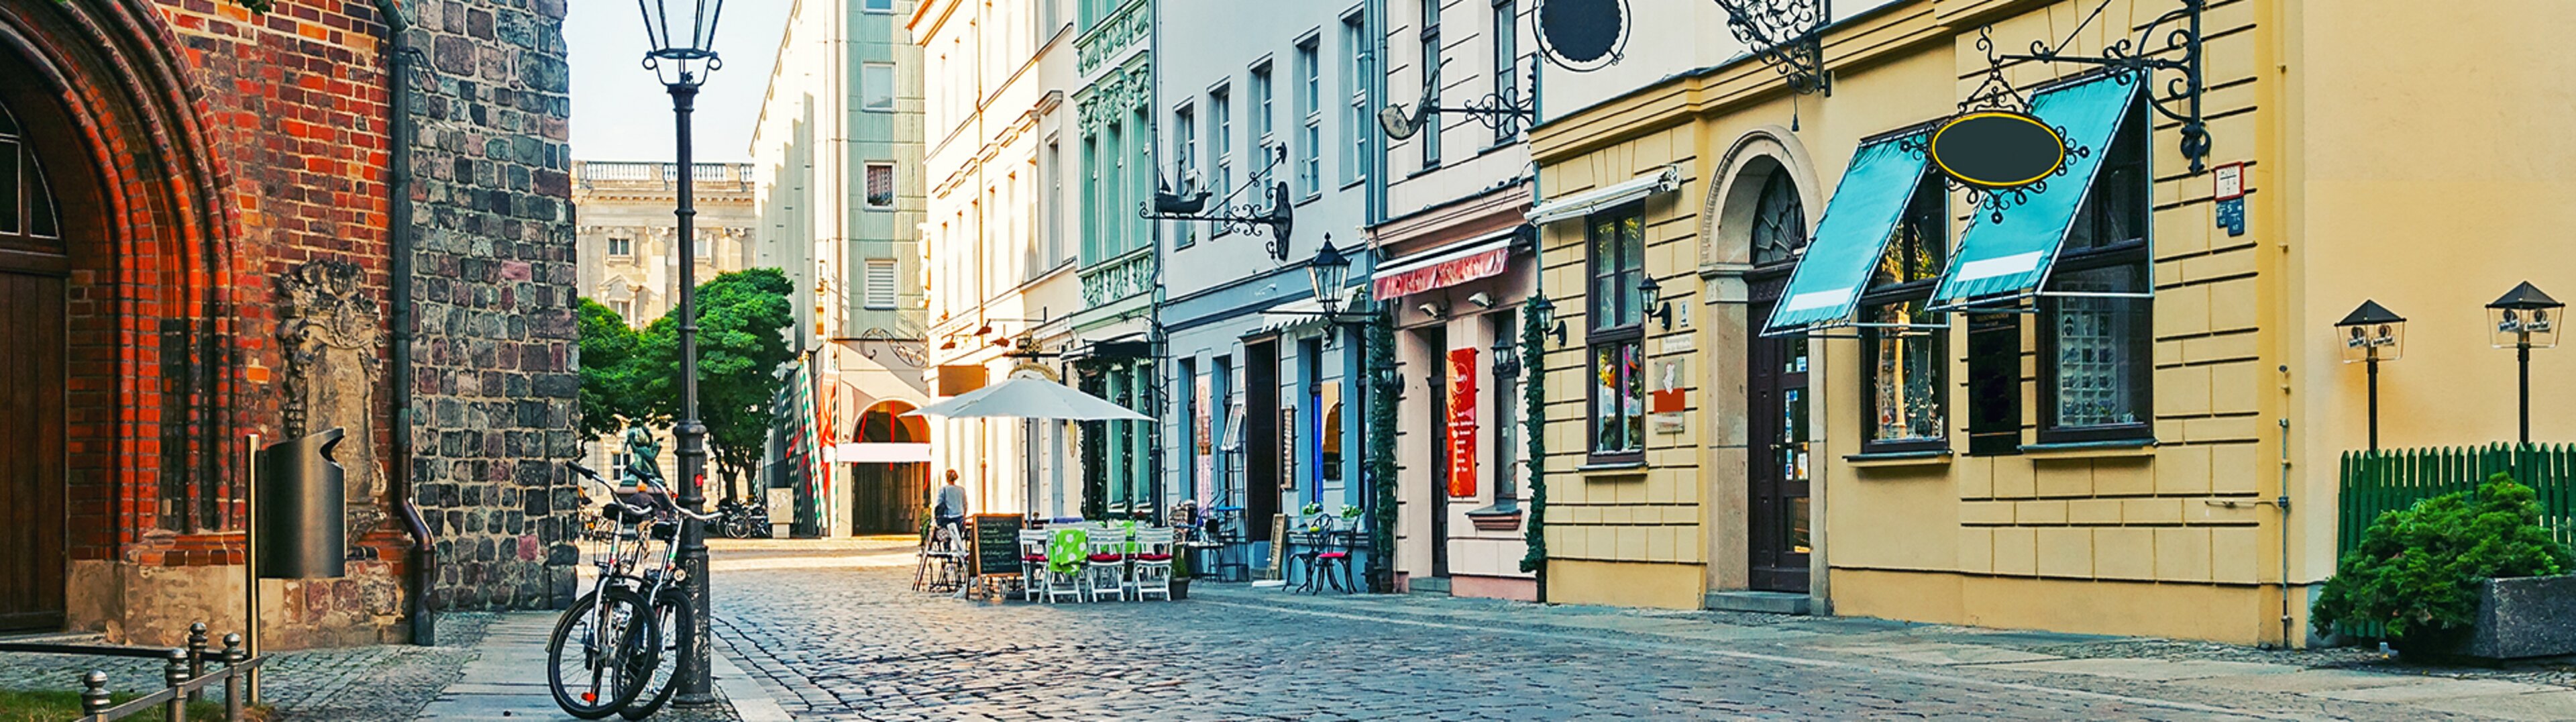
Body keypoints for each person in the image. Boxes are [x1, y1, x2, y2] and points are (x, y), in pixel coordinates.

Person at [934, 470, 969, 548]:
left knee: (947, 538)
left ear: (947, 478)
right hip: (959, 517)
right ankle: (960, 552)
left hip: (948, 517)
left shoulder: (943, 489)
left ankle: (947, 551)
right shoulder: (961, 490)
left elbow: (939, 503)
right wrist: (964, 515)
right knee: (958, 538)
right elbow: (965, 504)